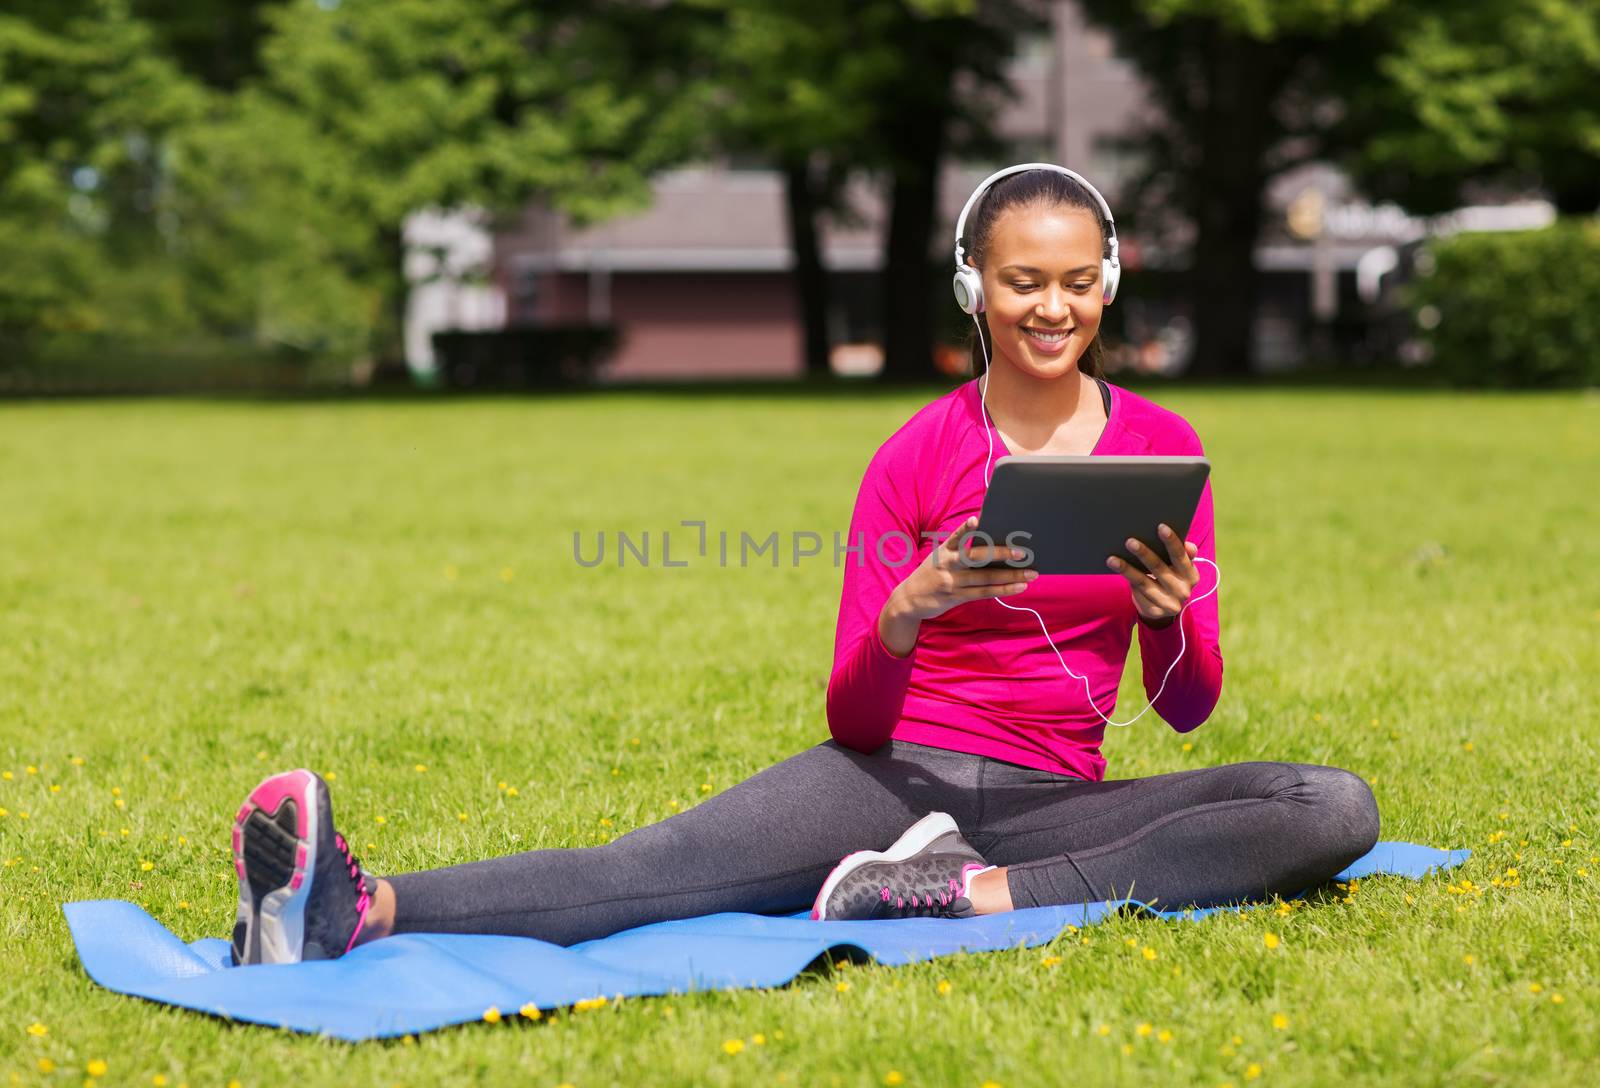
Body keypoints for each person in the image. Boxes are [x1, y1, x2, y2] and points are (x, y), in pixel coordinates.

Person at [227, 165, 1380, 966]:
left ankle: (959, 894)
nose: (1053, 305)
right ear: (975, 287)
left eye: (1077, 279)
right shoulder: (914, 453)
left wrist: (1163, 615)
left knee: (1327, 804)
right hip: (891, 775)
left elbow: (1185, 711)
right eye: (1025, 280)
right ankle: (347, 906)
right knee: (651, 870)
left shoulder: (1162, 449)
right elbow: (853, 708)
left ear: (1109, 281)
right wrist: (907, 610)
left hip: (1053, 801)